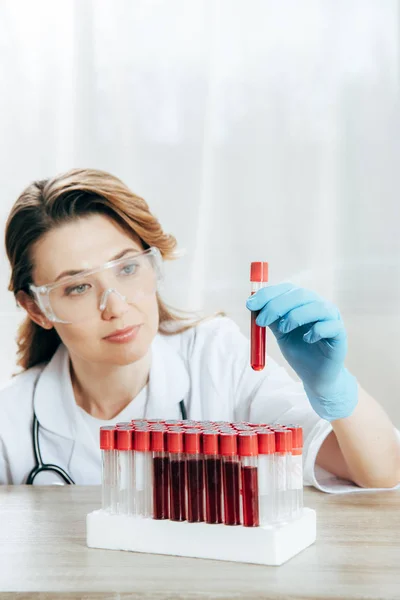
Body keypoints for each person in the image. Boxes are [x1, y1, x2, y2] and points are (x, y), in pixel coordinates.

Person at [0, 168, 399, 489]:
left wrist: (336, 390)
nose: (116, 307)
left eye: (127, 268)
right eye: (78, 287)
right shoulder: (12, 420)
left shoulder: (216, 358)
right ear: (36, 308)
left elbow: (381, 474)